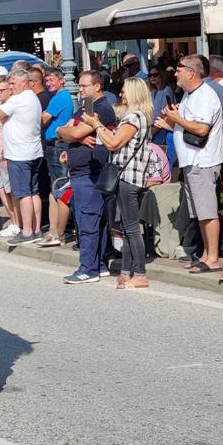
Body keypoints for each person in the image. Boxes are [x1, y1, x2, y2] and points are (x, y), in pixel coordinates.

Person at [155, 55, 223, 274]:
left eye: (179, 69)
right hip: (191, 161)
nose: (175, 72)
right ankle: (206, 253)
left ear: (191, 72)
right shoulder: (189, 94)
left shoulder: (205, 95)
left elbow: (201, 129)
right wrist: (170, 121)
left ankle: (212, 257)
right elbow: (186, 127)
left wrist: (176, 119)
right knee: (198, 212)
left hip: (203, 160)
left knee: (207, 212)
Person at [82, 78, 153, 289]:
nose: (121, 94)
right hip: (128, 176)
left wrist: (96, 125)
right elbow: (116, 139)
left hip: (129, 177)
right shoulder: (138, 116)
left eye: (124, 90)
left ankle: (139, 274)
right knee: (125, 226)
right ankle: (126, 271)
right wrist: (100, 126)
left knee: (131, 227)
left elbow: (113, 143)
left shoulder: (134, 117)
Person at [57, 70, 117, 284]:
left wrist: (74, 135)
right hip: (81, 170)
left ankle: (88, 268)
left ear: (97, 86)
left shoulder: (101, 107)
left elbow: (72, 132)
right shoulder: (88, 106)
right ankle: (99, 264)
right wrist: (76, 138)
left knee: (88, 221)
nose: (79, 90)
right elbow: (64, 130)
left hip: (90, 173)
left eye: (84, 86)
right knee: (93, 220)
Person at [0, 69, 43, 245]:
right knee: (33, 192)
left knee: (23, 194)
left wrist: (5, 112)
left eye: (13, 84)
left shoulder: (18, 99)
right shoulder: (32, 97)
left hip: (20, 154)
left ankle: (27, 231)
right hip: (33, 152)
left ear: (24, 83)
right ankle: (36, 229)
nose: (11, 87)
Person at [37, 67, 74, 247]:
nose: (49, 83)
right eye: (47, 80)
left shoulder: (60, 98)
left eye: (52, 80)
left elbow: (43, 119)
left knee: (60, 187)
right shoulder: (57, 97)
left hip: (58, 145)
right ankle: (53, 230)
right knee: (55, 188)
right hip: (54, 145)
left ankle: (60, 232)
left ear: (61, 81)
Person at [0, 75, 22, 238]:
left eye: (1, 90)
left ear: (9, 90)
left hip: (5, 154)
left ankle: (18, 223)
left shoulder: (10, 106)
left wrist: (4, 156)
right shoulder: (0, 104)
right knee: (0, 188)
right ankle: (14, 220)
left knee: (10, 191)